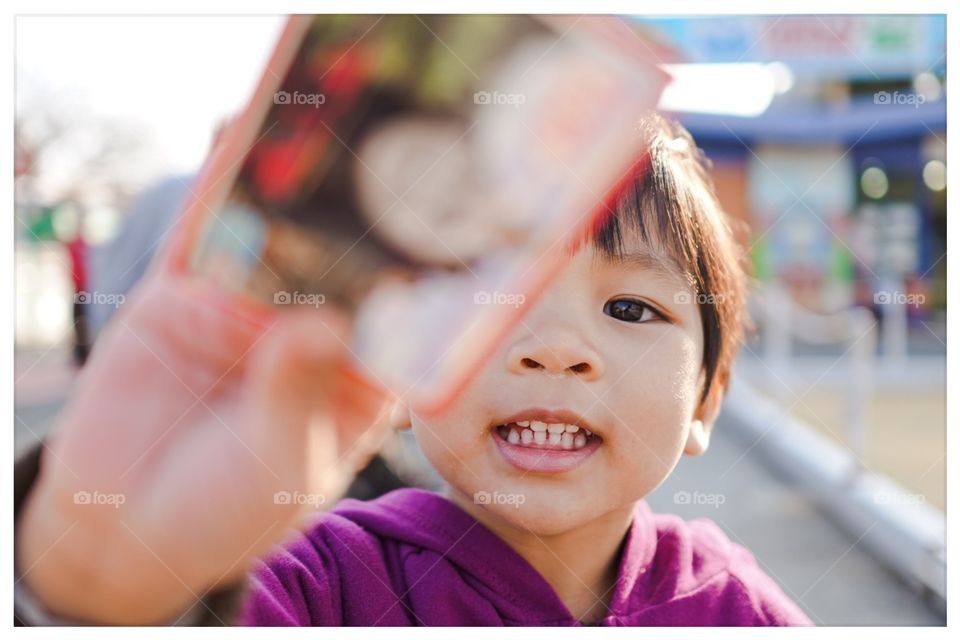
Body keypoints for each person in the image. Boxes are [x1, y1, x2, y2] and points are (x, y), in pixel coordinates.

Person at [14, 114, 812, 626]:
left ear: (707, 398)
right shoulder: (314, 586)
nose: (556, 349)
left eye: (631, 308)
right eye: (493, 301)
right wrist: (99, 584)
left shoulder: (733, 606)